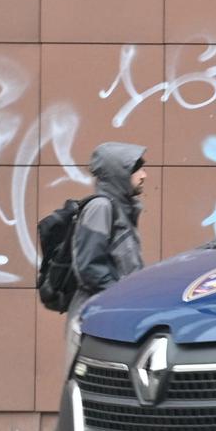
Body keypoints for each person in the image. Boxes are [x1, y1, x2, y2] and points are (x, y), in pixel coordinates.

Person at [68, 142, 148, 352]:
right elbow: (88, 267)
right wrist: (120, 297)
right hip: (94, 318)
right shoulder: (101, 207)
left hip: (110, 315)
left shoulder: (121, 209)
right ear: (118, 173)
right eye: (136, 169)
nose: (144, 175)